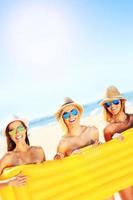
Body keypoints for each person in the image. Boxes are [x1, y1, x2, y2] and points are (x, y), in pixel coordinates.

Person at [100, 85, 133, 200]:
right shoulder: (108, 130)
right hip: (122, 170)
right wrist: (113, 139)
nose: (112, 106)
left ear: (121, 102)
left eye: (115, 102)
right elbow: (110, 156)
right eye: (108, 104)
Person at [0, 118, 46, 187]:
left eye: (20, 128)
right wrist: (9, 182)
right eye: (12, 131)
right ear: (9, 136)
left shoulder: (39, 150)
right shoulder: (8, 157)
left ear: (25, 130)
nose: (17, 133)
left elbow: (45, 173)